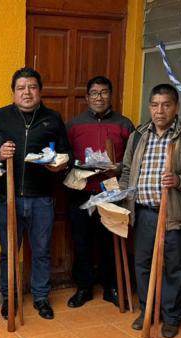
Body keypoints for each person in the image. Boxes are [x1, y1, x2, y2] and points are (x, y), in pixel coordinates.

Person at [119, 83, 181, 337]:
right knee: (144, 264)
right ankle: (148, 311)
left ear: (176, 107)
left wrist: (180, 181)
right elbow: (127, 171)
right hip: (144, 211)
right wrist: (124, 202)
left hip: (176, 213)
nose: (160, 111)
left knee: (175, 267)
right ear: (150, 107)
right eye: (155, 105)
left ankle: (171, 317)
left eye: (166, 105)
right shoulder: (138, 135)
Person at [0, 67, 72, 320]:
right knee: (8, 251)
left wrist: (60, 163)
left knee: (42, 250)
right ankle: (9, 297)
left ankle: (41, 298)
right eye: (21, 88)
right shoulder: (0, 117)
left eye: (32, 87)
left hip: (42, 198)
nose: (27, 92)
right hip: (7, 197)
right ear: (13, 93)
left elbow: (67, 153)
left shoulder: (52, 118)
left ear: (40, 91)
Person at [65, 75, 134, 308]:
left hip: (111, 191)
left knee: (110, 240)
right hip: (82, 190)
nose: (99, 97)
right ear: (87, 97)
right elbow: (66, 158)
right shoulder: (74, 125)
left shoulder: (124, 124)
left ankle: (111, 287)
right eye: (94, 93)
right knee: (81, 241)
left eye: (104, 92)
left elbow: (133, 159)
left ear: (111, 96)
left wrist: (120, 166)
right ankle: (83, 287)